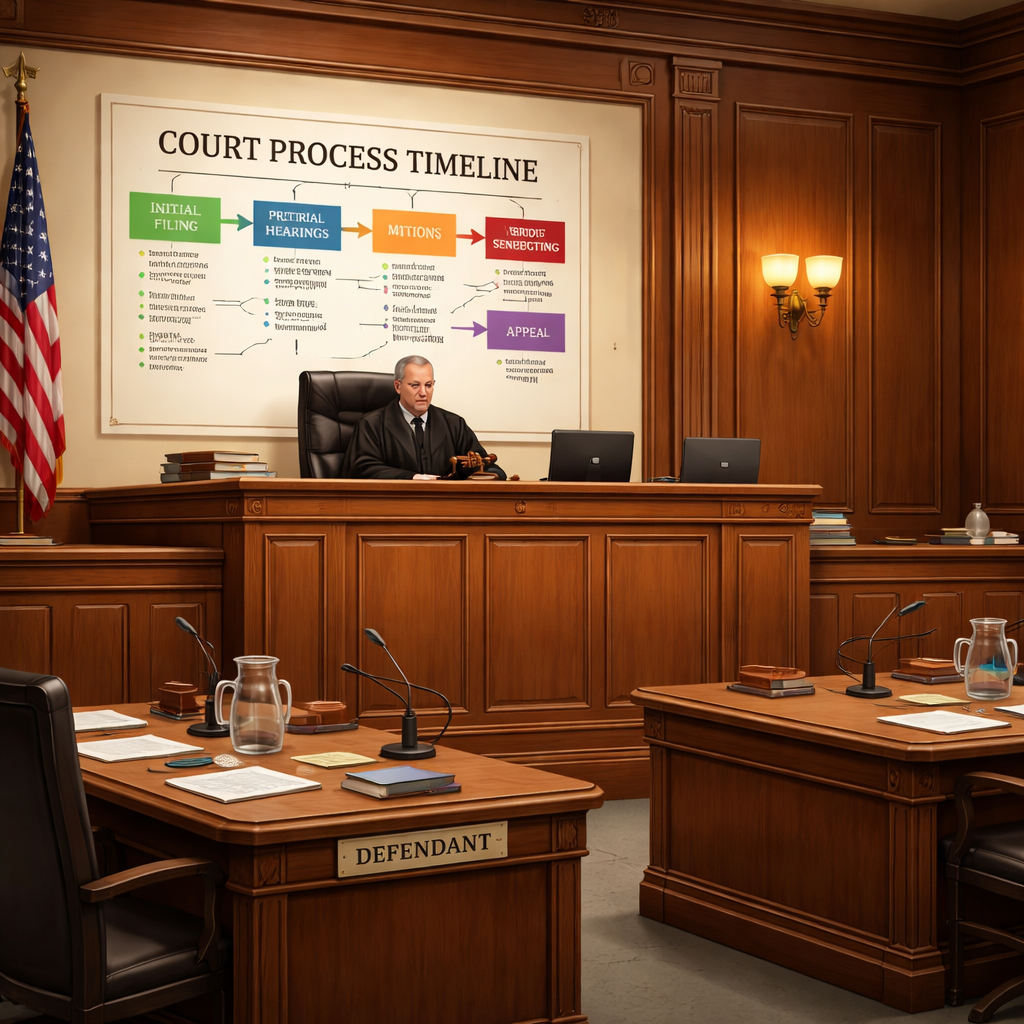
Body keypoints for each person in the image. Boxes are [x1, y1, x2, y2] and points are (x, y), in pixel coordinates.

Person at [343, 355, 506, 480]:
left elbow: (482, 463)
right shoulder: (371, 424)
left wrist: (493, 475)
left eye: (428, 385)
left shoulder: (454, 424)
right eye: (415, 385)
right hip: (392, 509)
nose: (423, 392)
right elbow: (361, 469)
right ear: (398, 386)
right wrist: (411, 478)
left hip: (444, 510)